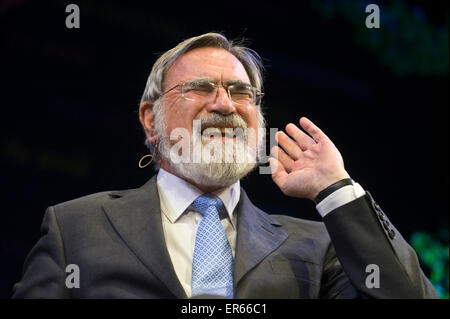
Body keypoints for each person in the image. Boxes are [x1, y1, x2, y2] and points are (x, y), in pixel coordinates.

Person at [12, 32, 438, 299]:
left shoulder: (317, 246)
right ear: (150, 118)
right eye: (200, 88)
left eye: (241, 92)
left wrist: (336, 187)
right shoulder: (77, 227)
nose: (224, 104)